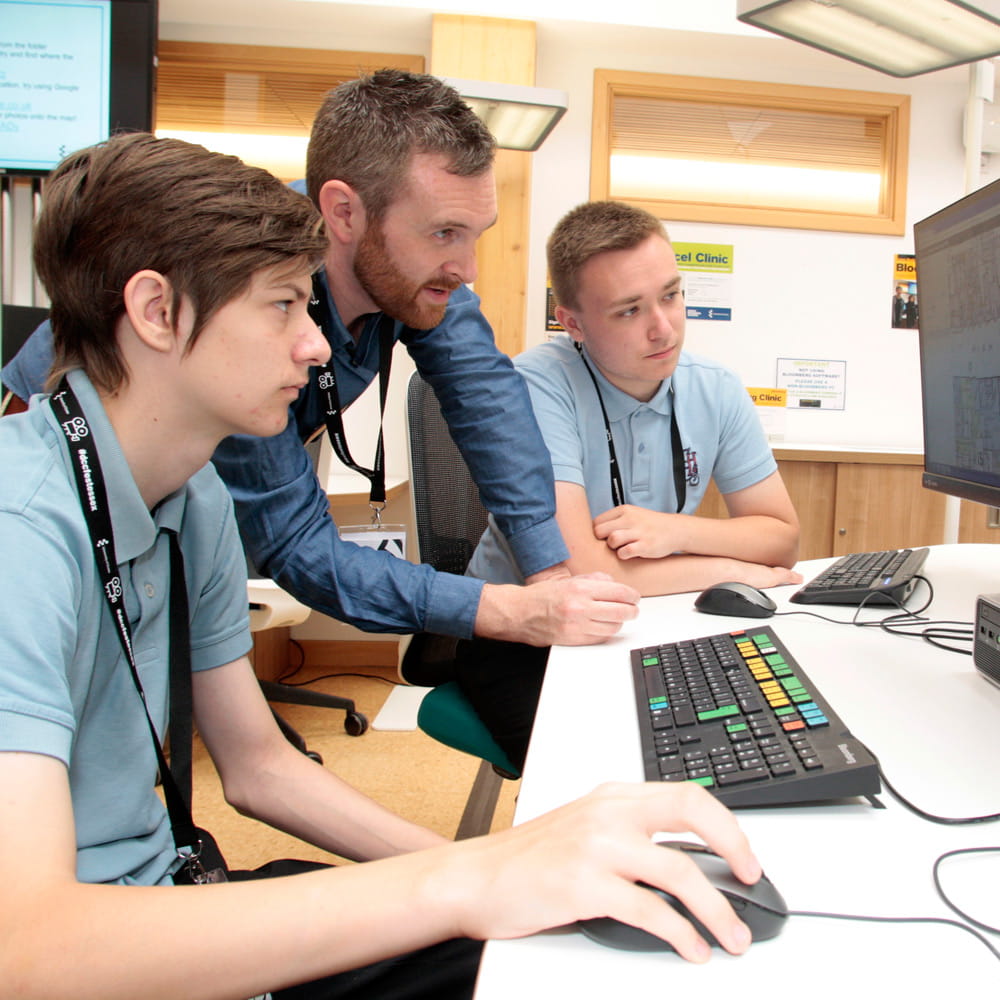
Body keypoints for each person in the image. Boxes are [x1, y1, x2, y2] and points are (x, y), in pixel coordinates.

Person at [0, 133, 763, 1000]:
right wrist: (467, 884)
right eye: (284, 308)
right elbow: (26, 948)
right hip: (87, 955)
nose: (321, 348)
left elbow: (260, 770)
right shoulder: (18, 530)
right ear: (157, 311)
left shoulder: (195, 498)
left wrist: (497, 867)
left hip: (170, 896)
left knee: (562, 951)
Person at [0, 69, 639, 658]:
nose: (466, 269)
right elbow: (296, 545)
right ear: (343, 213)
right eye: (443, 233)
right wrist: (508, 611)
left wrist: (551, 573)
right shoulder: (235, 310)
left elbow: (487, 398)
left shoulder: (407, 275)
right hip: (70, 476)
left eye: (477, 235)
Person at [462, 200, 802, 770]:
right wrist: (731, 568)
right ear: (572, 321)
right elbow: (583, 575)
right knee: (606, 773)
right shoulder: (534, 386)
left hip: (658, 619)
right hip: (527, 635)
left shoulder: (714, 389)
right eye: (628, 311)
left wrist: (674, 530)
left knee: (742, 742)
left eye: (671, 295)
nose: (663, 327)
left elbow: (782, 539)